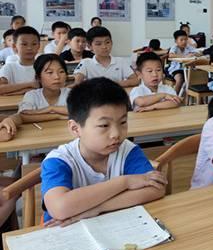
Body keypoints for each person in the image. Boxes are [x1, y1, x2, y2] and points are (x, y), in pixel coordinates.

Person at [40, 78, 166, 225]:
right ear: (75, 129)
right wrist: (125, 182)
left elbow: (156, 189)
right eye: (104, 125)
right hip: (65, 232)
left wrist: (98, 208)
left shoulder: (127, 150)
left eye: (123, 122)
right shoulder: (59, 160)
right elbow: (60, 208)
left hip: (114, 226)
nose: (116, 134)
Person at [73, 27, 139, 88]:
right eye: (98, 44)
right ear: (89, 46)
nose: (104, 46)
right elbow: (77, 82)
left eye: (107, 42)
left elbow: (136, 80)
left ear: (112, 43)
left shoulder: (120, 61)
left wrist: (113, 84)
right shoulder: (85, 63)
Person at [16, 54, 70, 123]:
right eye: (50, 72)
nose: (57, 77)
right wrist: (56, 116)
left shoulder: (71, 93)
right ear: (38, 77)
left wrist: (52, 108)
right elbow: (23, 115)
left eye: (61, 72)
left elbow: (80, 111)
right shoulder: (32, 95)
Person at [0, 26, 39, 95]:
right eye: (24, 44)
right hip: (15, 102)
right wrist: (30, 84)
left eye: (34, 44)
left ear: (39, 46)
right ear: (14, 47)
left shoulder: (44, 66)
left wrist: (16, 92)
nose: (29, 48)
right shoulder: (9, 67)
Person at [166, 30, 196, 94]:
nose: (184, 42)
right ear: (176, 41)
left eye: (185, 40)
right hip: (176, 69)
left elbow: (197, 52)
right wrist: (185, 56)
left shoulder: (188, 47)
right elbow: (171, 55)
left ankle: (186, 97)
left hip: (187, 69)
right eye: (181, 40)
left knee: (194, 79)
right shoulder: (174, 47)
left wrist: (193, 54)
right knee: (180, 79)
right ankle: (174, 96)